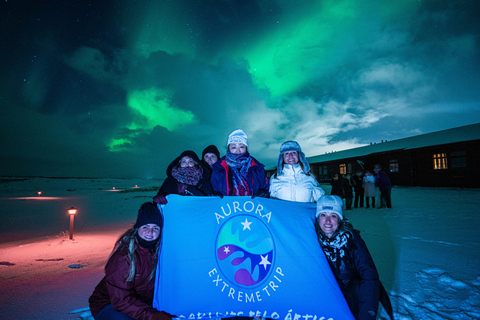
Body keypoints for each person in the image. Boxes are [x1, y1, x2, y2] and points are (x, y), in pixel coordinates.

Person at [89, 202, 175, 320]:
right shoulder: (123, 257)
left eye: (155, 228)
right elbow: (120, 300)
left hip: (140, 302)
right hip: (108, 303)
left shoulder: (161, 252)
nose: (150, 232)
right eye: (145, 227)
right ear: (137, 228)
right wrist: (151, 316)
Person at [315, 196, 394, 320]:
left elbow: (370, 276)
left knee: (357, 286)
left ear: (340, 219)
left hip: (352, 291)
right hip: (327, 292)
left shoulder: (353, 240)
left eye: (333, 216)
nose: (328, 221)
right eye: (323, 215)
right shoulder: (312, 241)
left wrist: (366, 316)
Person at [211, 129, 269, 197]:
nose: (238, 150)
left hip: (251, 207)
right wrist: (215, 195)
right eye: (233, 147)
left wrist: (263, 193)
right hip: (227, 207)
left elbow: (266, 188)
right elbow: (213, 189)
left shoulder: (257, 168)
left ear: (246, 148)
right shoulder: (219, 169)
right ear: (228, 149)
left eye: (241, 146)